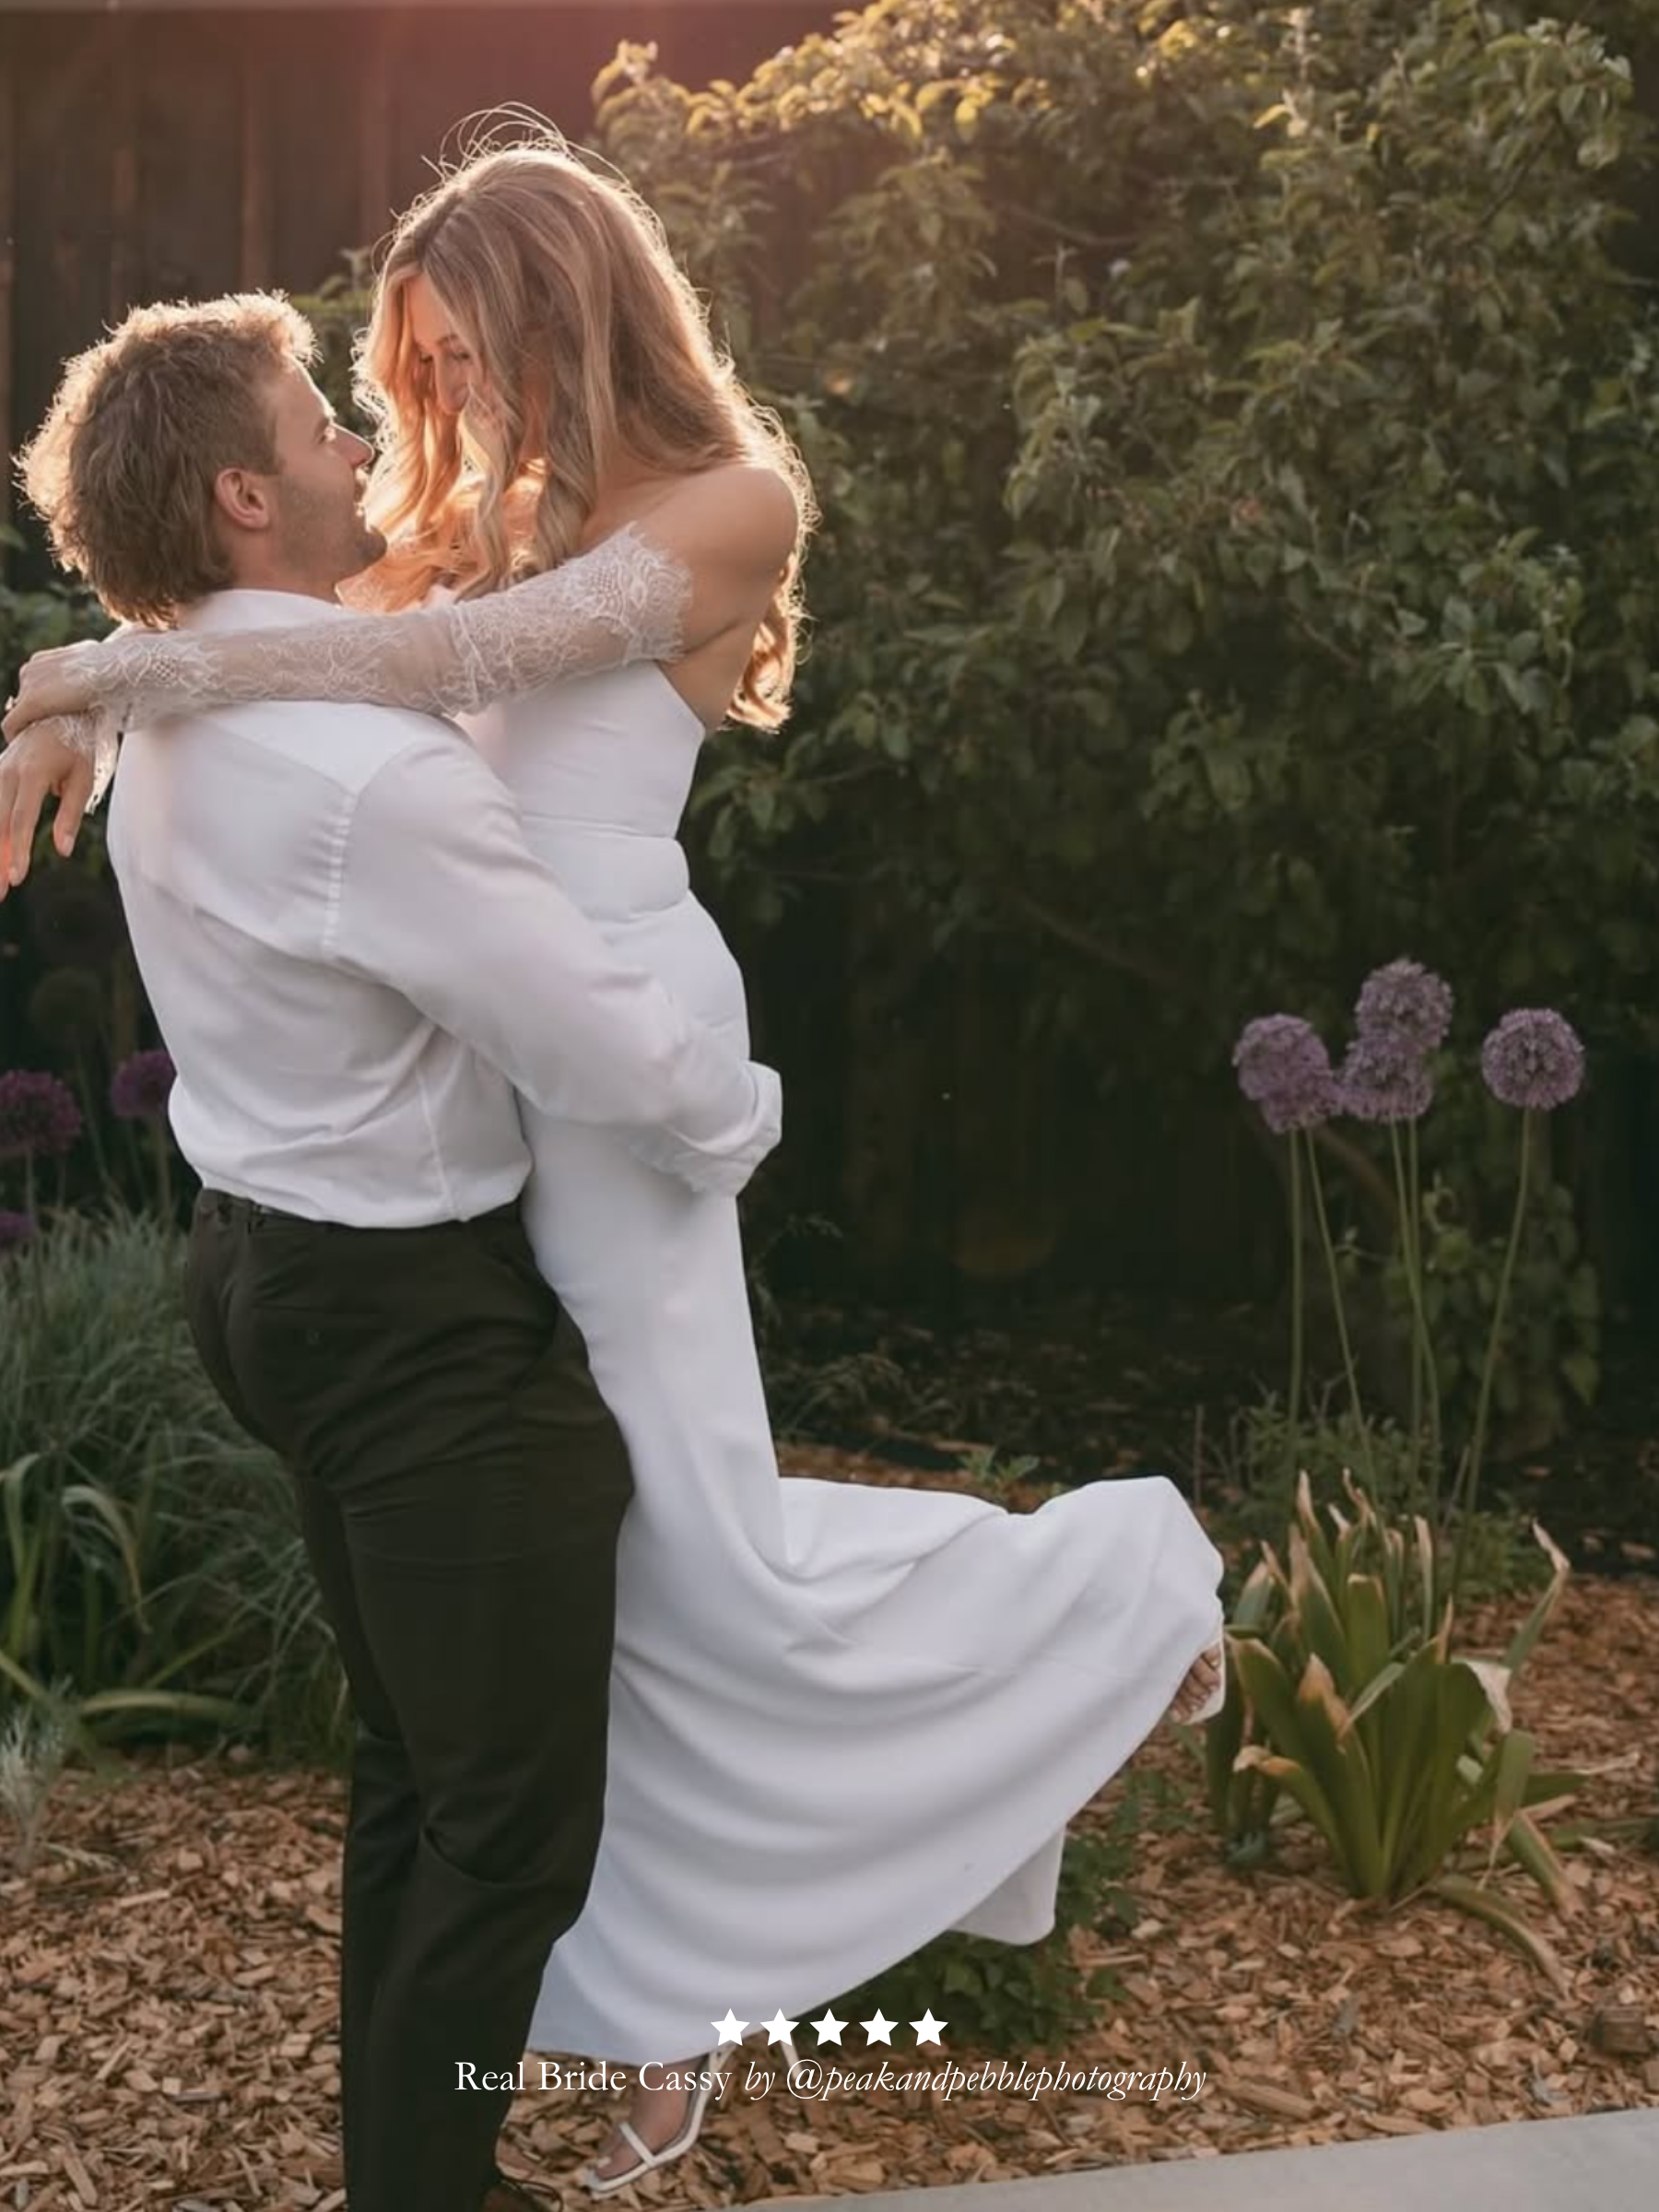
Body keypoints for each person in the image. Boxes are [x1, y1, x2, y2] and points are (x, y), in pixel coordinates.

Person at [2, 133, 1226, 2199]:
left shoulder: (730, 503)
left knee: (709, 1544)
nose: (428, 417)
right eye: (407, 375)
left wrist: (86, 675)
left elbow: (409, 669)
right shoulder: (482, 505)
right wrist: (82, 676)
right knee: (618, 1570)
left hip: (629, 1045)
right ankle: (664, 1988)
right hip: (518, 1057)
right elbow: (291, 628)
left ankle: (1122, 1594)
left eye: (462, 361)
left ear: (573, 313)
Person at [6, 289, 783, 2212]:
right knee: (508, 1830)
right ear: (244, 493)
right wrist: (730, 1113)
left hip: (267, 1280)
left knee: (418, 1779)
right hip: (411, 1331)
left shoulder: (204, 709)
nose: (366, 446)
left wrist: (74, 668)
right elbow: (585, 1041)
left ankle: (406, 2179)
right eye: (319, 426)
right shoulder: (366, 774)